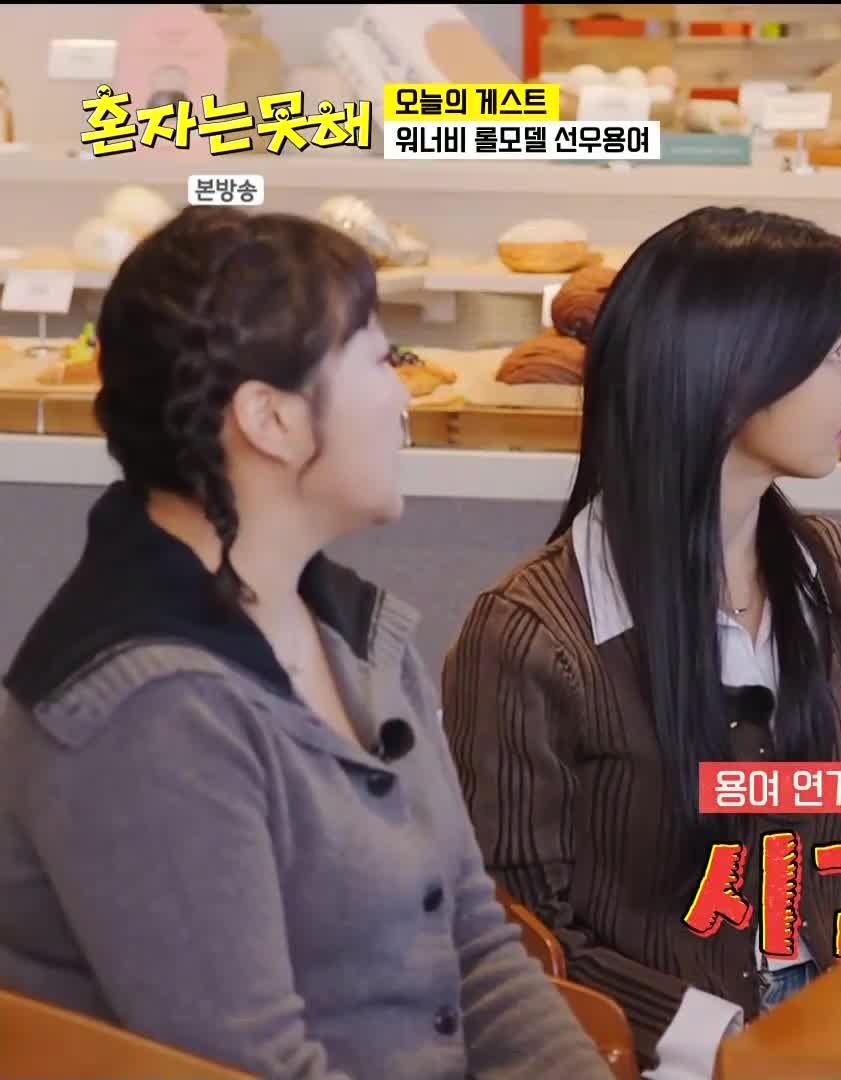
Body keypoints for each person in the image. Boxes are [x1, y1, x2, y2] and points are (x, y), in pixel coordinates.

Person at [0, 208, 609, 1080]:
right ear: (271, 419)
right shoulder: (152, 713)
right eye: (379, 360)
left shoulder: (355, 633)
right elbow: (247, 1062)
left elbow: (473, 939)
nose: (404, 394)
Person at [443, 206, 841, 1078]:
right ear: (728, 374)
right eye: (828, 355)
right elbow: (515, 934)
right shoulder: (532, 634)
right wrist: (730, 1040)